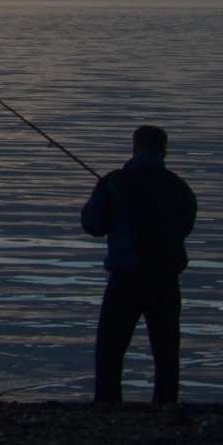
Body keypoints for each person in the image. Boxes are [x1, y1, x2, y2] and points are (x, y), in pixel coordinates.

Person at [80, 124, 197, 405]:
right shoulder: (180, 187)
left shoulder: (115, 182)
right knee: (166, 351)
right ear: (164, 151)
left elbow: (93, 224)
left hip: (127, 277)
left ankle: (108, 406)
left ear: (135, 147)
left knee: (110, 350)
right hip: (166, 278)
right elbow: (186, 225)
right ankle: (165, 407)